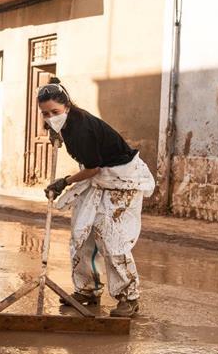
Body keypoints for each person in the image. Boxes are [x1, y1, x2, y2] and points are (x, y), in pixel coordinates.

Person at [37, 80, 155, 318]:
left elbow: (92, 168)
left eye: (55, 113)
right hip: (100, 178)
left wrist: (64, 182)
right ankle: (88, 290)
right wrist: (55, 132)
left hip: (121, 180)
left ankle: (129, 297)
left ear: (67, 106)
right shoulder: (66, 125)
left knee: (113, 239)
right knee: (83, 234)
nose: (51, 117)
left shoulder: (82, 129)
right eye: (45, 114)